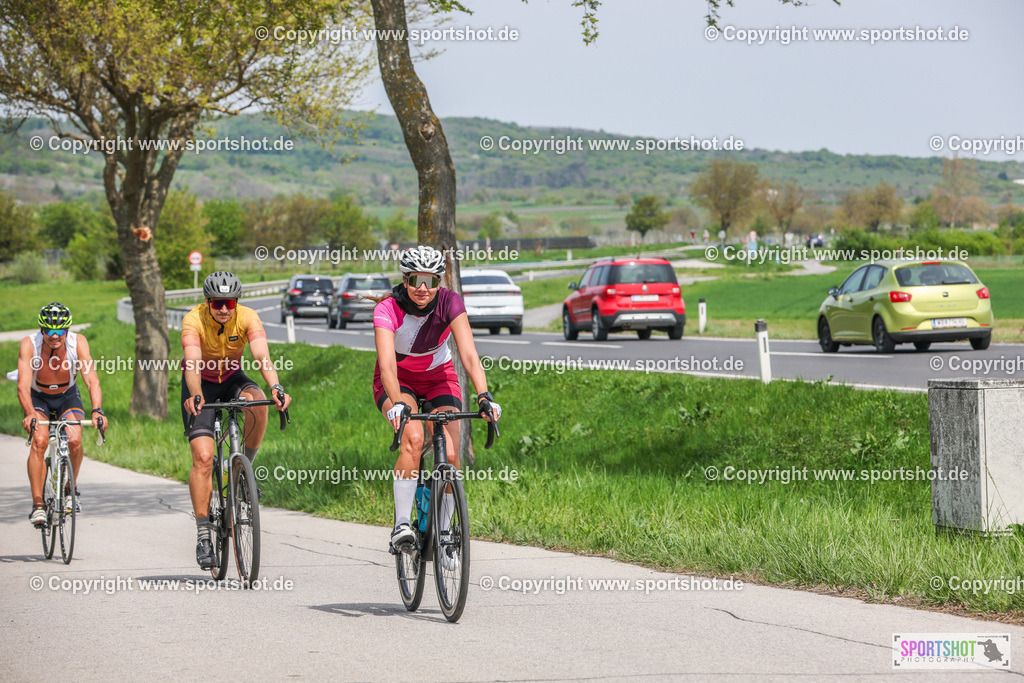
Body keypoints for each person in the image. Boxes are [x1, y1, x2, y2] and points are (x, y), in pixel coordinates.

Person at [373, 246, 501, 567]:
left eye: (431, 281)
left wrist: (484, 395)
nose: (423, 288)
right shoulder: (387, 309)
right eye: (416, 279)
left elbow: (469, 355)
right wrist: (399, 405)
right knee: (414, 439)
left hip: (439, 377)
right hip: (397, 380)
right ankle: (402, 524)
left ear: (439, 281)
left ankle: (445, 536)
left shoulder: (449, 302)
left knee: (453, 454)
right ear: (405, 279)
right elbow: (387, 365)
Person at [181, 271, 291, 569]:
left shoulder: (247, 317)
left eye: (229, 302)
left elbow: (261, 355)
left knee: (257, 402)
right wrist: (195, 393)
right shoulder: (193, 320)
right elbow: (191, 362)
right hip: (200, 385)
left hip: (231, 378)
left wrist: (276, 386)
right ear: (207, 302)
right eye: (218, 303)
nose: (224, 309)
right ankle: (204, 534)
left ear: (236, 302)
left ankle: (245, 470)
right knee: (204, 458)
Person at [16, 303, 104, 525]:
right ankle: (38, 504)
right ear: (42, 330)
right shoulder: (29, 345)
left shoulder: (78, 343)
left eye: (60, 331)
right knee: (40, 440)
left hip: (67, 396)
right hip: (38, 397)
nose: (55, 336)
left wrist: (96, 410)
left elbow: (91, 379)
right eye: (49, 331)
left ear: (68, 330)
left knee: (74, 439)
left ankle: (69, 489)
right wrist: (29, 413)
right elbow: (22, 385)